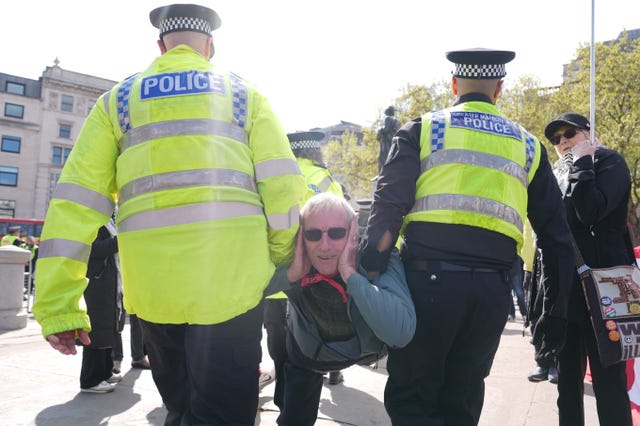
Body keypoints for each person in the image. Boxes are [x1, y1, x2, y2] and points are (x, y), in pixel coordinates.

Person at [32, 3, 307, 425]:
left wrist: (59, 307)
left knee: (180, 407)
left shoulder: (116, 102)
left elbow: (74, 205)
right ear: (209, 47)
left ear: (160, 46)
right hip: (232, 286)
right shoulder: (245, 96)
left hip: (155, 294)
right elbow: (284, 189)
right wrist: (278, 257)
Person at [359, 48, 575, 425]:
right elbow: (556, 238)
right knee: (462, 399)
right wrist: (554, 313)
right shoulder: (527, 146)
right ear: (500, 89)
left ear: (455, 84)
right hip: (491, 295)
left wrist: (370, 271)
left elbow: (387, 209)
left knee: (413, 396)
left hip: (427, 288)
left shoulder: (423, 130)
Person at [265, 192, 415, 425]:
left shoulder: (375, 254)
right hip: (310, 354)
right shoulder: (295, 256)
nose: (324, 246)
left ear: (353, 231)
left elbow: (400, 332)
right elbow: (242, 294)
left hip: (369, 348)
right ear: (302, 237)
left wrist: (350, 274)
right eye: (313, 234)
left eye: (336, 233)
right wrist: (291, 274)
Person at [545, 112, 633, 426]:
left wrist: (583, 163)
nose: (563, 142)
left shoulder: (610, 162)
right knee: (567, 383)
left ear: (588, 132)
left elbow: (591, 211)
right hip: (567, 291)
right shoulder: (557, 172)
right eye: (556, 139)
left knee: (609, 383)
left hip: (604, 287)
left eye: (569, 133)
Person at [263, 131, 344, 408]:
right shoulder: (325, 179)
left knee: (277, 346)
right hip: (311, 281)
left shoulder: (274, 176)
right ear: (314, 152)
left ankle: (282, 400)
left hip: (277, 278)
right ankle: (295, 407)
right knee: (306, 351)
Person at [80, 220, 124, 393]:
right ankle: (90, 380)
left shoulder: (107, 223)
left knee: (108, 330)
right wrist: (121, 239)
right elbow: (95, 249)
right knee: (96, 332)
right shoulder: (92, 222)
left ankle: (105, 372)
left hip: (108, 285)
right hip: (97, 285)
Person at [376, 106, 401, 173]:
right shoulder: (398, 121)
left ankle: (382, 173)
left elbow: (386, 130)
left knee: (383, 158)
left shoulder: (388, 118)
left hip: (387, 142)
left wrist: (380, 130)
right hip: (394, 142)